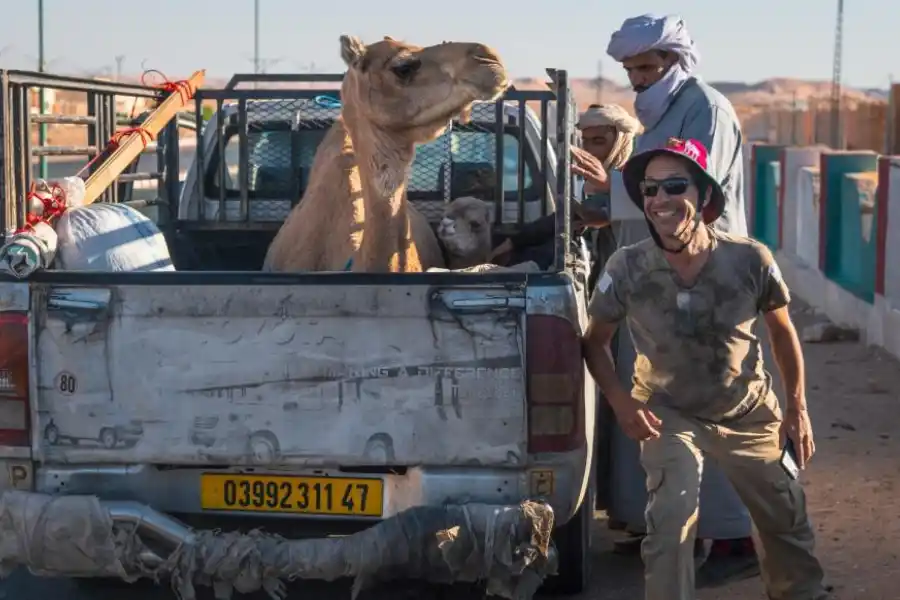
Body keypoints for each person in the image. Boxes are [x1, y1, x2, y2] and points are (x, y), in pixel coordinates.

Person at [583, 136, 831, 600]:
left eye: (675, 186)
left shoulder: (749, 259)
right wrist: (621, 403)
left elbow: (782, 332)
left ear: (704, 196)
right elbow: (594, 342)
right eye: (650, 190)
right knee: (671, 522)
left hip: (748, 412)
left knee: (786, 520)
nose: (659, 200)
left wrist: (797, 408)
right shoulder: (628, 266)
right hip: (667, 413)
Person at [570, 13, 757, 584]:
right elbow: (649, 192)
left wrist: (609, 189)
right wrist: (602, 209)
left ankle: (735, 540)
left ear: (676, 61)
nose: (638, 79)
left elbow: (691, 189)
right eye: (631, 70)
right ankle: (660, 525)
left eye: (647, 67)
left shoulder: (707, 110)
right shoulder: (662, 113)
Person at [488, 103, 641, 273]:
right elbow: (570, 216)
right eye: (585, 141)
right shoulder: (595, 180)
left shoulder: (635, 180)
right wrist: (514, 242)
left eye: (598, 141)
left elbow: (594, 214)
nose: (589, 149)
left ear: (621, 142)